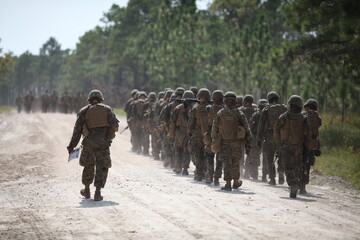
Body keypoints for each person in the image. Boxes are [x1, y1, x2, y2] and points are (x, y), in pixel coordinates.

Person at [67, 90, 119, 201]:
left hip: (88, 144)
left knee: (88, 166)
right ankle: (98, 193)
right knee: (102, 167)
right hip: (103, 144)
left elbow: (77, 131)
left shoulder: (84, 111)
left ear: (90, 99)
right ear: (101, 99)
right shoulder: (107, 110)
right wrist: (108, 138)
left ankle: (86, 190)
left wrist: (71, 145)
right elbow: (115, 126)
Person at [211, 91, 252, 191]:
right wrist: (248, 143)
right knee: (235, 162)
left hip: (224, 142)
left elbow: (214, 129)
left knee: (226, 163)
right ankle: (236, 181)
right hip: (236, 143)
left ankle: (228, 183)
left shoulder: (220, 113)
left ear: (224, 101)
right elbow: (247, 130)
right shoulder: (239, 113)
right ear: (235, 102)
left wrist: (214, 140)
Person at [275, 95, 310, 198]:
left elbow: (276, 131)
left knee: (288, 167)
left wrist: (279, 145)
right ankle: (296, 182)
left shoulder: (284, 116)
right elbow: (308, 135)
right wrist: (307, 149)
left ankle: (292, 184)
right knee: (297, 167)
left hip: (286, 146)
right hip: (299, 146)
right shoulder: (304, 118)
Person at [257, 91, 287, 185]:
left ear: (268, 99)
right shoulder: (284, 108)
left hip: (270, 136)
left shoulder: (266, 109)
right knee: (281, 155)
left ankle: (272, 178)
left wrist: (259, 138)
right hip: (282, 136)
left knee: (269, 158)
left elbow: (261, 125)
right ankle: (281, 172)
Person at [169, 90, 195, 175]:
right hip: (189, 132)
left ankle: (178, 167)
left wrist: (171, 132)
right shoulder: (194, 108)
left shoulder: (178, 107)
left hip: (179, 132)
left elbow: (172, 120)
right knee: (186, 150)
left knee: (178, 149)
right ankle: (185, 169)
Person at [188, 88, 212, 181]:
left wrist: (190, 132)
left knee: (197, 154)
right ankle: (207, 174)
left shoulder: (195, 108)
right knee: (207, 154)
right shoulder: (211, 108)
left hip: (197, 135)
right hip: (208, 135)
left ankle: (198, 174)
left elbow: (191, 122)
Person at [300, 99, 322, 194]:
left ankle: (297, 181)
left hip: (301, 142)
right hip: (312, 144)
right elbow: (316, 132)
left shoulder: (302, 115)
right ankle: (303, 186)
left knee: (299, 162)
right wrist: (317, 148)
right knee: (307, 165)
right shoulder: (317, 117)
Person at [204, 90, 224, 185]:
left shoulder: (210, 108)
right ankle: (217, 177)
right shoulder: (224, 109)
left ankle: (209, 175)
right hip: (222, 136)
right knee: (219, 158)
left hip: (211, 134)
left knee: (209, 155)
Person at [249, 99, 269, 181]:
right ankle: (264, 176)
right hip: (266, 138)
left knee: (254, 156)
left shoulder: (256, 115)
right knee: (265, 157)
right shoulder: (268, 115)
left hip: (256, 137)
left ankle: (254, 174)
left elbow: (251, 127)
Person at [239, 94, 258, 178]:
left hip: (241, 135)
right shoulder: (256, 111)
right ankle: (247, 171)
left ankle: (240, 171)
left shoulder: (240, 110)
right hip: (252, 136)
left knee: (241, 153)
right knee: (250, 154)